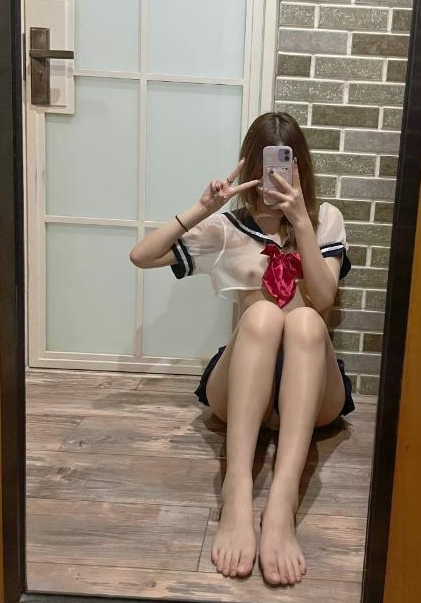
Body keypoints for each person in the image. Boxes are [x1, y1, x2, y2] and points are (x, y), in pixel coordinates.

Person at [129, 112, 355, 587]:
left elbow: (323, 297)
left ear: (300, 168)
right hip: (242, 386)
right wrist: (201, 208)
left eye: (285, 167)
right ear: (251, 168)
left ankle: (282, 503)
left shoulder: (325, 220)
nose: (275, 178)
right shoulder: (228, 228)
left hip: (312, 389)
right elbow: (142, 256)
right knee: (263, 316)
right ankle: (236, 491)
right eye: (265, 167)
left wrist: (301, 221)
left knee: (307, 321)